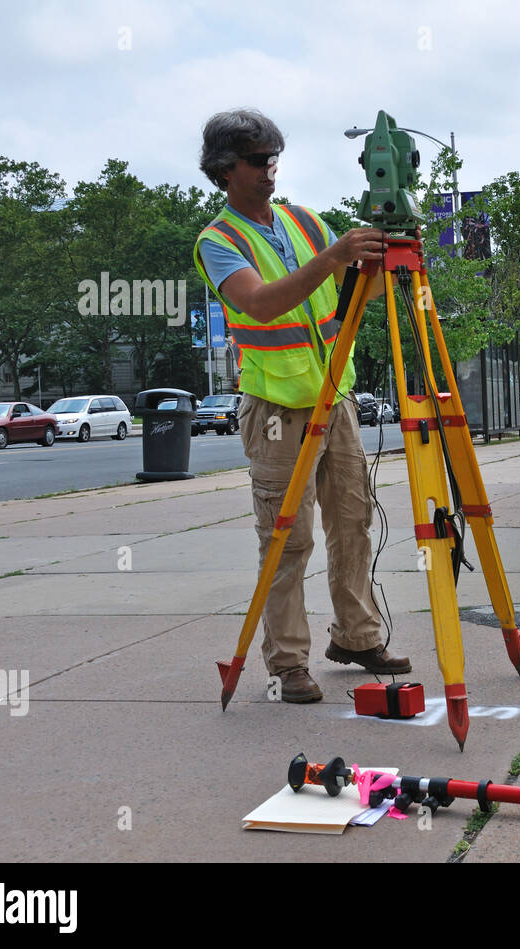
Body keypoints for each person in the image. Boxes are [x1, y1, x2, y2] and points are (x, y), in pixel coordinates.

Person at [193, 108, 409, 704]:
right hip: (275, 407)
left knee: (353, 523)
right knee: (288, 539)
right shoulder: (218, 241)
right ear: (224, 169)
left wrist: (364, 265)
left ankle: (358, 636)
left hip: (333, 394)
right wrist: (335, 257)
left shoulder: (305, 222)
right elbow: (259, 305)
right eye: (257, 160)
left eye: (273, 158)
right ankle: (288, 662)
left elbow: (338, 287)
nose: (269, 170)